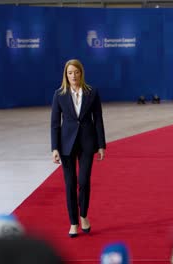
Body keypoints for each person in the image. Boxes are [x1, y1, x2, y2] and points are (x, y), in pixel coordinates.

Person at [51, 59, 106, 238]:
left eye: (76, 72)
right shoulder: (59, 95)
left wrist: (101, 145)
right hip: (66, 145)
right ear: (65, 75)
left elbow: (98, 119)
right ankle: (73, 223)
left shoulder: (92, 92)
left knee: (83, 181)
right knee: (70, 185)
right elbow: (54, 124)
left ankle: (84, 216)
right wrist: (54, 148)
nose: (73, 76)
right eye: (70, 73)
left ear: (81, 73)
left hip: (87, 143)